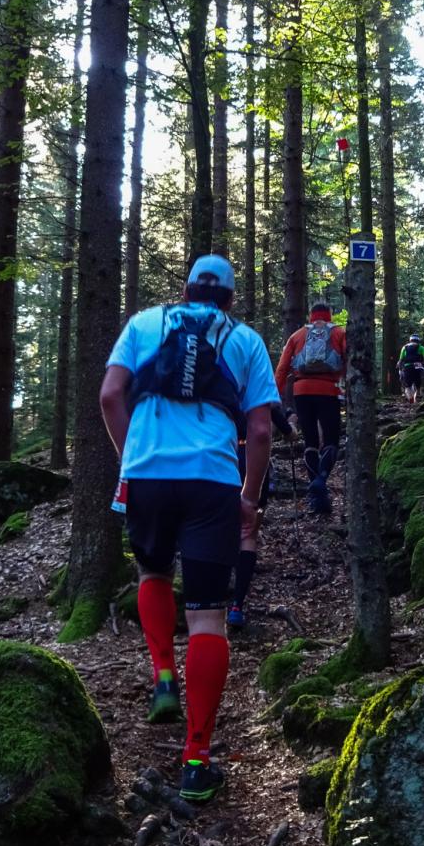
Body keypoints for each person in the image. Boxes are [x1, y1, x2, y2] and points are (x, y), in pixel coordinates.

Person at [99, 255, 278, 804]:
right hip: (212, 481)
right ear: (230, 297)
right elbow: (261, 430)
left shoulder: (144, 323)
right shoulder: (245, 339)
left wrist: (131, 459)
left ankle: (162, 675)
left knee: (152, 572)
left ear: (186, 289)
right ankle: (196, 761)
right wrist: (249, 498)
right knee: (207, 617)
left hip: (147, 474)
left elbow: (109, 396)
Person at [275, 302, 347, 515]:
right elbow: (351, 361)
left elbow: (282, 368)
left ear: (310, 316)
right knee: (331, 440)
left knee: (310, 442)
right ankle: (321, 479)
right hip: (329, 391)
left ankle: (317, 498)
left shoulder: (297, 335)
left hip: (302, 392)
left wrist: (276, 396)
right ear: (329, 315)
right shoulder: (339, 333)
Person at [229, 402, 293, 631]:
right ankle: (237, 605)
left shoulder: (218, 386)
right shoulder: (255, 389)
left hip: (222, 456)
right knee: (249, 534)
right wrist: (289, 429)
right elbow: (277, 420)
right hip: (254, 460)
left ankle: (216, 597)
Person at [399, 334, 424, 404]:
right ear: (418, 340)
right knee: (418, 386)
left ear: (410, 340)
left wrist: (400, 370)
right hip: (418, 367)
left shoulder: (404, 347)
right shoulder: (421, 347)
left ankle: (411, 400)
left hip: (407, 367)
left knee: (408, 386)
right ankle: (417, 400)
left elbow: (400, 360)